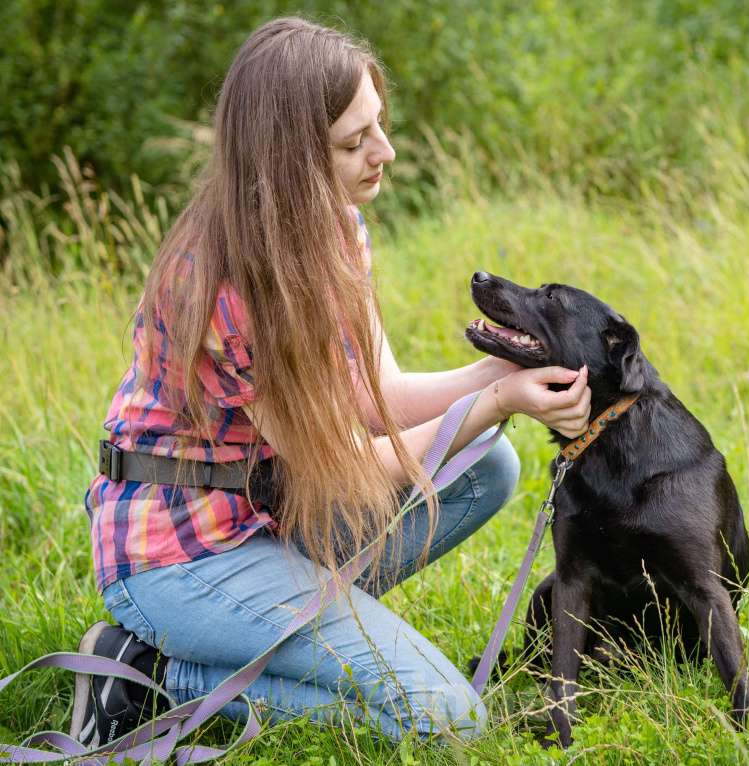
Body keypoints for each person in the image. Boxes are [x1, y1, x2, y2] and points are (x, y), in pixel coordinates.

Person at [71, 16, 591, 749]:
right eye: (354, 142)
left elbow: (378, 399)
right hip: (181, 557)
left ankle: (279, 631)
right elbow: (344, 468)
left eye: (378, 125)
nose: (386, 152)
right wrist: (497, 401)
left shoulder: (337, 226)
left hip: (269, 514)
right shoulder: (228, 285)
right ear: (287, 161)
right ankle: (152, 673)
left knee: (487, 466)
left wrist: (501, 370)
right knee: (452, 721)